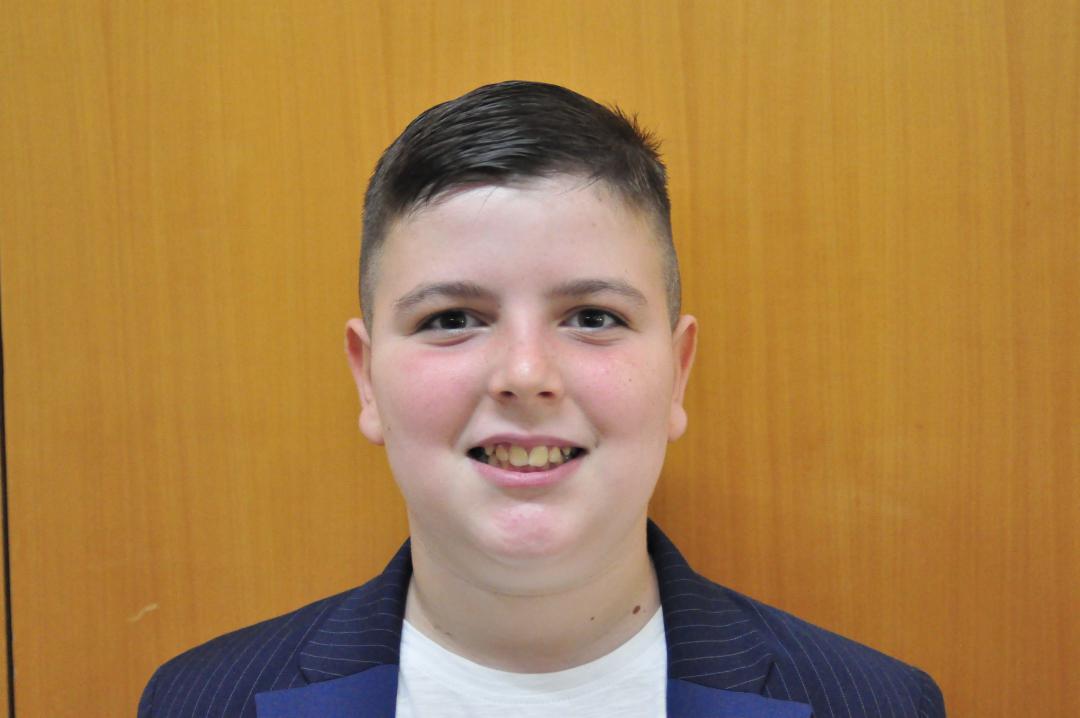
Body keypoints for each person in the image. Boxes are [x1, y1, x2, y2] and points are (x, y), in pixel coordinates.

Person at [138, 81, 945, 718]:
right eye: (452, 319)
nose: (525, 374)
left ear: (677, 373)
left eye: (592, 317)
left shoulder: (874, 704)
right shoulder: (201, 703)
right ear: (366, 379)